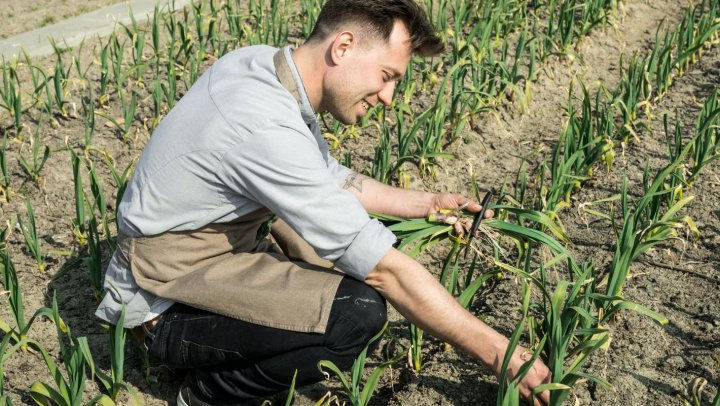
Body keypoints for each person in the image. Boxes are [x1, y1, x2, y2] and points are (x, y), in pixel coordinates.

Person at [94, 0, 552, 404]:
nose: (389, 98)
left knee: (341, 249)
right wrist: (500, 354)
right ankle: (207, 394)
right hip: (163, 300)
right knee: (358, 311)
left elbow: (328, 178)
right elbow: (384, 269)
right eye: (387, 76)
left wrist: (429, 202)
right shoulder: (264, 126)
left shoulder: (264, 66)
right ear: (344, 47)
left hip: (207, 251)